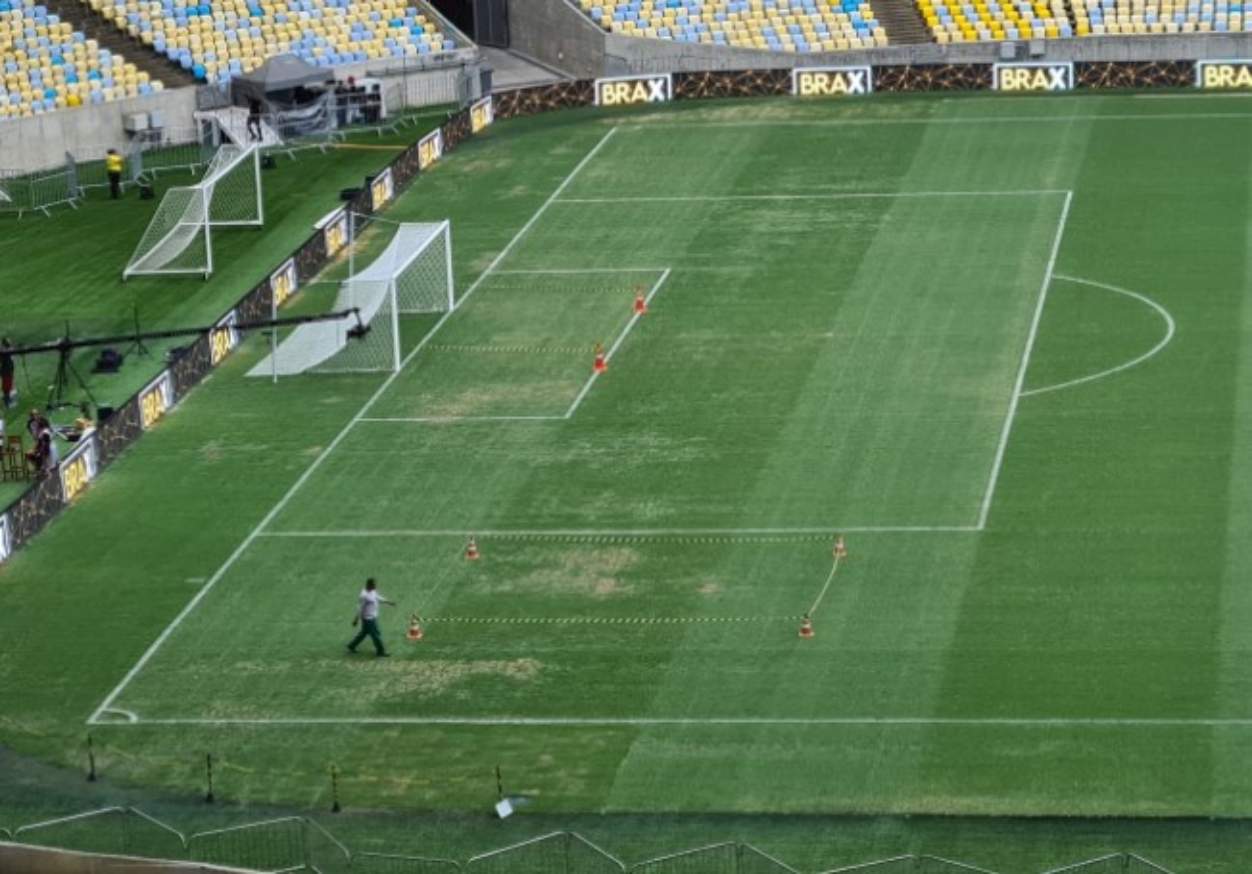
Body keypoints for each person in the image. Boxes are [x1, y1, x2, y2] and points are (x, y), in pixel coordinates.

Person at [347, 577, 395, 657]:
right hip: (368, 619)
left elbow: (377, 597)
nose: (376, 586)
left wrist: (388, 602)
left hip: (372, 617)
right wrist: (356, 619)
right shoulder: (364, 595)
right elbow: (360, 608)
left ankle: (351, 645)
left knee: (364, 633)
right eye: (374, 584)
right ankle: (380, 651)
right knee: (376, 635)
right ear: (369, 585)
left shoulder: (372, 591)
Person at [0, 338, 14, 408]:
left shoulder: (7, 350)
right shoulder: (5, 351)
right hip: (6, 372)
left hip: (8, 371)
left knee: (7, 386)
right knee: (6, 387)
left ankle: (7, 399)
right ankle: (7, 402)